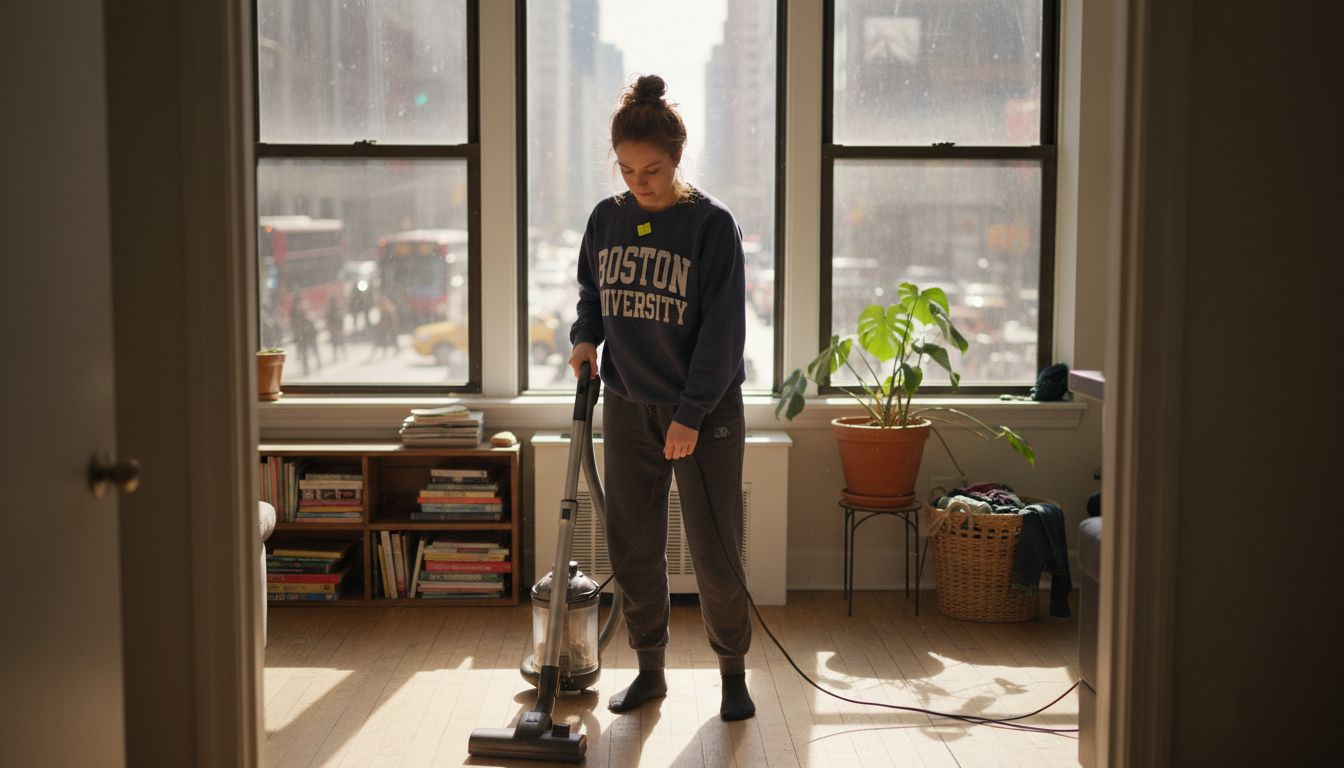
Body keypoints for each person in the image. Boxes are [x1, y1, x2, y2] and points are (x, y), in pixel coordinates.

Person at [568, 74, 754, 722]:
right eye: (626, 169)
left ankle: (733, 673)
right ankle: (651, 670)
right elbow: (592, 295)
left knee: (714, 550)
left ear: (676, 157)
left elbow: (723, 333)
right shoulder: (607, 218)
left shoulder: (711, 225)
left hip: (704, 411)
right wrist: (585, 337)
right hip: (627, 403)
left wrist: (690, 415)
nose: (638, 182)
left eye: (650, 170)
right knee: (634, 547)